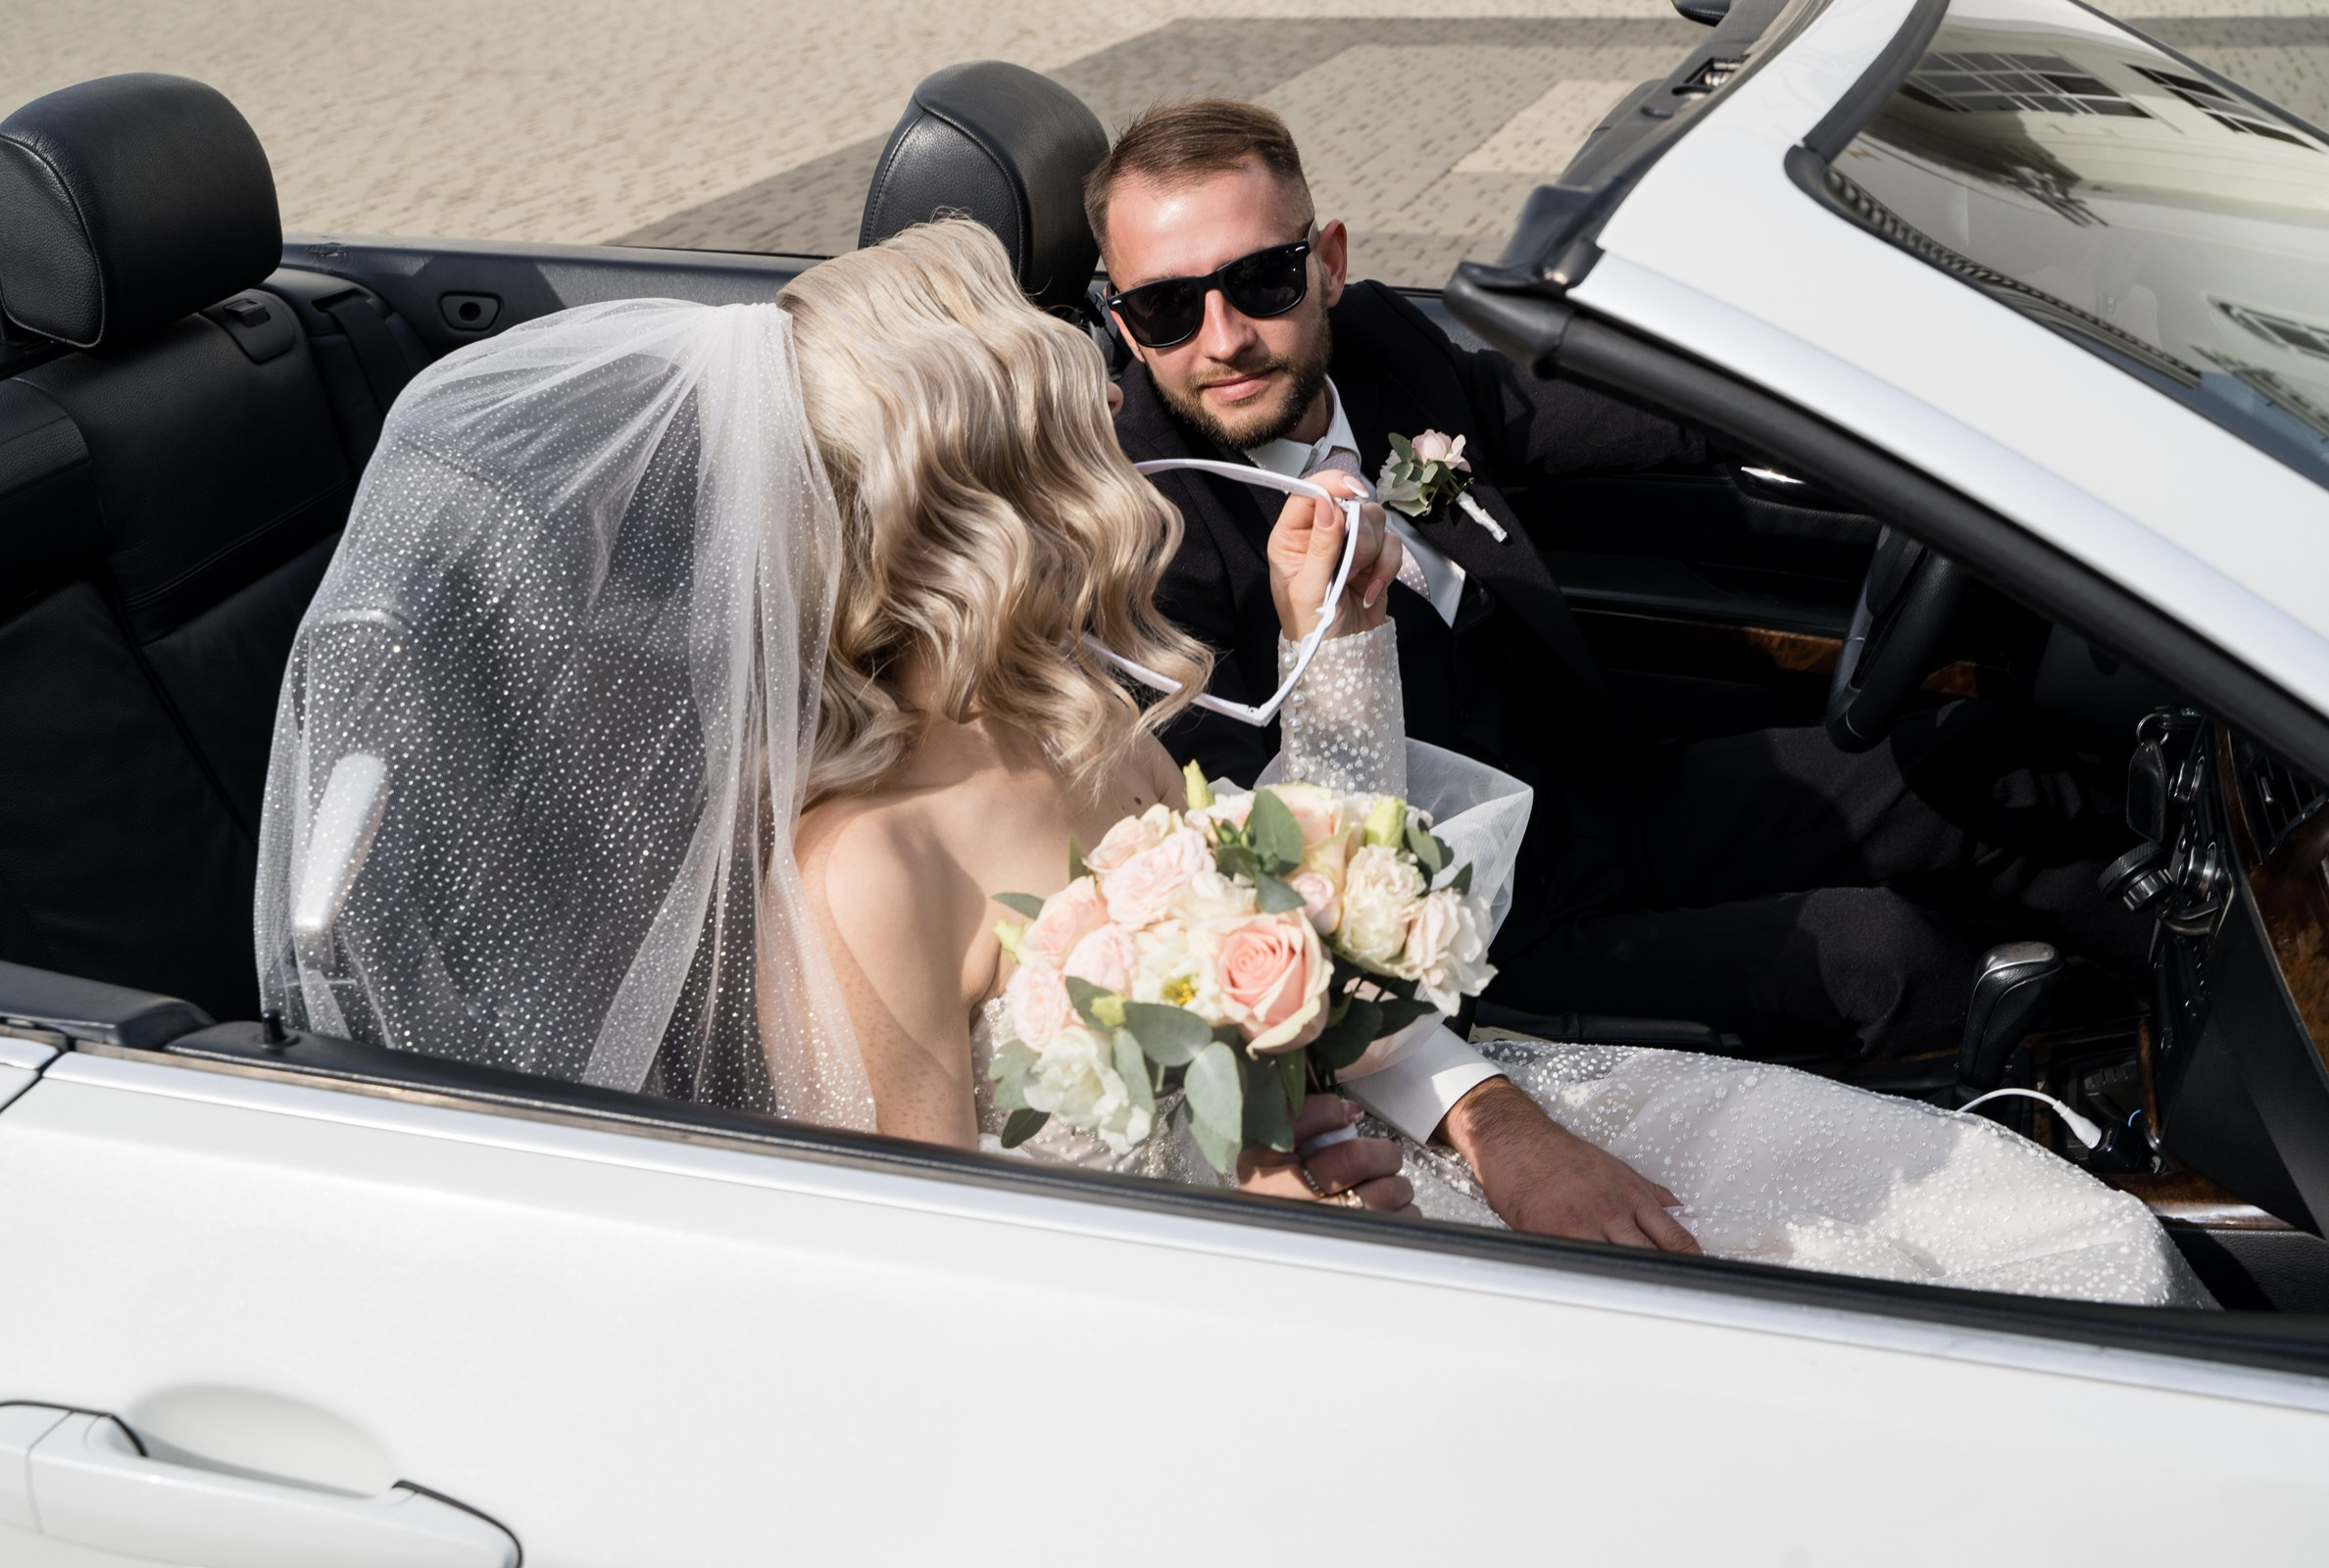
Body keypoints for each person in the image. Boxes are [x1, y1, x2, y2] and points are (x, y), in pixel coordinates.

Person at [253, 217, 2206, 1305]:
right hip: (1258, 1284)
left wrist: (1335, 651)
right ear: (986, 492)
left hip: (1410, 1145)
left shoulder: (1068, 696)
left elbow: (1295, 921)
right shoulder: (866, 867)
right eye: (1063, 415)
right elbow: (944, 1270)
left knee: (2057, 1242)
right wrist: (1259, 1213)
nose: (1113, 424)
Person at [1095, 103, 2145, 1093]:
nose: (1223, 337)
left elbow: (1592, 410)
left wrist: (1847, 373)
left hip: (1599, 788)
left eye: (1263, 280)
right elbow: (1277, 867)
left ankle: (2206, 960)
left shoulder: (1380, 353)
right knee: (1894, 956)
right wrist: (1317, 639)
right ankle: (2105, 1097)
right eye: (1167, 306)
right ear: (1127, 322)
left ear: (1328, 263)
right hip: (1482, 933)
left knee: (1971, 763)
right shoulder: (1147, 542)